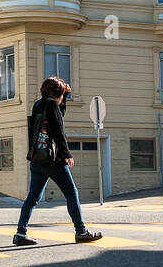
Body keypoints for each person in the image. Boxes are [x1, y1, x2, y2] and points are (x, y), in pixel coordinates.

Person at [14, 77, 102, 245]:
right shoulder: (52, 104)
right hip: (53, 160)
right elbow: (58, 130)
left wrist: (65, 96)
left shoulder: (38, 104)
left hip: (37, 158)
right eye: (62, 94)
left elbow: (57, 117)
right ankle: (81, 231)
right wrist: (67, 154)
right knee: (71, 192)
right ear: (57, 93)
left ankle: (20, 233)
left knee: (32, 198)